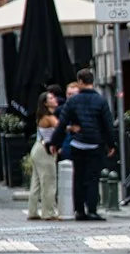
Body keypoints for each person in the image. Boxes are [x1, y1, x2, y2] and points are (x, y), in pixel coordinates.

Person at [50, 69, 116, 221]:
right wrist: (111, 144)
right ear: (92, 81)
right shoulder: (100, 100)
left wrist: (55, 142)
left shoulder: (73, 101)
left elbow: (62, 123)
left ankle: (79, 210)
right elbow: (107, 124)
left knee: (78, 177)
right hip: (95, 143)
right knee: (93, 178)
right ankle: (92, 209)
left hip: (78, 143)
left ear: (80, 82)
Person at [27, 92, 61, 220]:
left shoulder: (42, 115)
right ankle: (49, 212)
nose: (55, 99)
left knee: (36, 182)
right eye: (51, 98)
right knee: (49, 181)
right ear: (46, 103)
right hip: (45, 150)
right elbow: (61, 127)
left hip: (38, 148)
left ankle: (33, 211)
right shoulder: (48, 117)